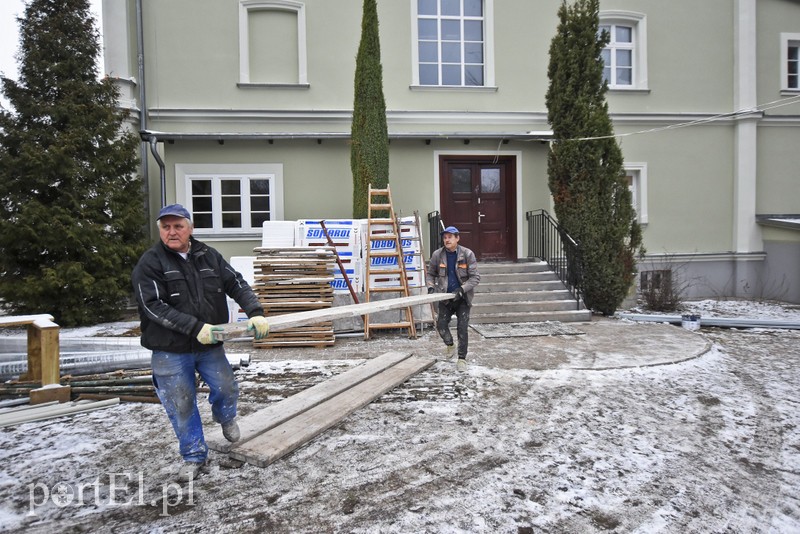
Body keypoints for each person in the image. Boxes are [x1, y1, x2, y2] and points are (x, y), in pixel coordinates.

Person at [132, 204, 270, 480]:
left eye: (178, 226)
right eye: (166, 227)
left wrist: (255, 312)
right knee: (181, 403)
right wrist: (195, 328)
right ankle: (194, 456)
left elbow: (236, 283)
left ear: (190, 228)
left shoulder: (209, 256)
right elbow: (152, 306)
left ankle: (225, 417)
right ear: (160, 230)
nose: (172, 232)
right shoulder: (151, 263)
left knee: (227, 387)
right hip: (169, 349)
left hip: (209, 346)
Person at [426, 226, 480, 371]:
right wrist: (431, 286)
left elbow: (475, 278)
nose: (447, 239)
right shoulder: (438, 255)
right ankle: (450, 344)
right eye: (445, 237)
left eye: (450, 237)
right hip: (445, 298)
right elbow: (430, 274)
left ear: (457, 238)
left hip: (463, 298)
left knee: (462, 328)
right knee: (441, 326)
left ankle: (462, 359)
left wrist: (462, 289)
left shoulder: (467, 254)